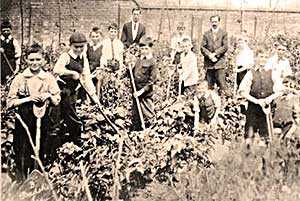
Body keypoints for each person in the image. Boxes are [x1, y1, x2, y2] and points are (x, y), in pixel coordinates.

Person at [7, 43, 61, 181]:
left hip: (44, 119)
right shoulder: (20, 78)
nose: (34, 63)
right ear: (26, 60)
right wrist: (28, 99)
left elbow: (57, 99)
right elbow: (10, 103)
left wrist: (48, 95)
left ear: (43, 60)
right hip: (24, 120)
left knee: (42, 149)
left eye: (38, 59)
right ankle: (21, 182)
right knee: (23, 151)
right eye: (31, 60)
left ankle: (38, 181)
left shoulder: (48, 78)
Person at [53, 32, 99, 145]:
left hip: (73, 92)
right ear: (70, 45)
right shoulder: (65, 56)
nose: (79, 49)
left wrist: (94, 97)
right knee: (65, 115)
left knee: (70, 113)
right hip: (62, 90)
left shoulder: (83, 58)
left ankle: (70, 140)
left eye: (81, 47)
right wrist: (71, 73)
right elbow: (57, 70)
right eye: (76, 47)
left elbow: (86, 78)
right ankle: (74, 140)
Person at [238, 48, 284, 146]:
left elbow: (280, 90)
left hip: (268, 108)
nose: (263, 59)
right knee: (249, 135)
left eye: (265, 57)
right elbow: (242, 91)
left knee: (267, 135)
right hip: (253, 108)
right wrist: (256, 101)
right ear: (256, 58)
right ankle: (248, 156)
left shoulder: (273, 73)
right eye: (261, 57)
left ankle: (266, 156)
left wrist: (269, 99)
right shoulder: (251, 73)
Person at [131, 36, 157, 131]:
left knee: (148, 113)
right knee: (136, 114)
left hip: (145, 94)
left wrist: (141, 92)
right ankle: (136, 132)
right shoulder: (138, 60)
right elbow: (132, 74)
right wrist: (129, 67)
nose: (144, 51)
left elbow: (151, 81)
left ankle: (152, 131)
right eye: (142, 49)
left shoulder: (152, 62)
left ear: (150, 49)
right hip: (135, 91)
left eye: (146, 48)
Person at [201, 15, 228, 96]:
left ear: (219, 22)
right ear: (210, 22)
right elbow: (202, 47)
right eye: (212, 22)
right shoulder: (206, 34)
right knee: (208, 86)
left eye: (216, 21)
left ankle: (223, 103)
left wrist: (215, 54)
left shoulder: (224, 33)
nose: (214, 23)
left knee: (222, 86)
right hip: (209, 64)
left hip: (219, 64)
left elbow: (225, 46)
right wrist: (209, 55)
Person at [0, 20, 21, 85]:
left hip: (11, 63)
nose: (6, 32)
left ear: (10, 30)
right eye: (4, 31)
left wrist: (17, 66)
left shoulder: (14, 41)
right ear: (1, 31)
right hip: (1, 64)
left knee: (10, 79)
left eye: (8, 30)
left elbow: (18, 53)